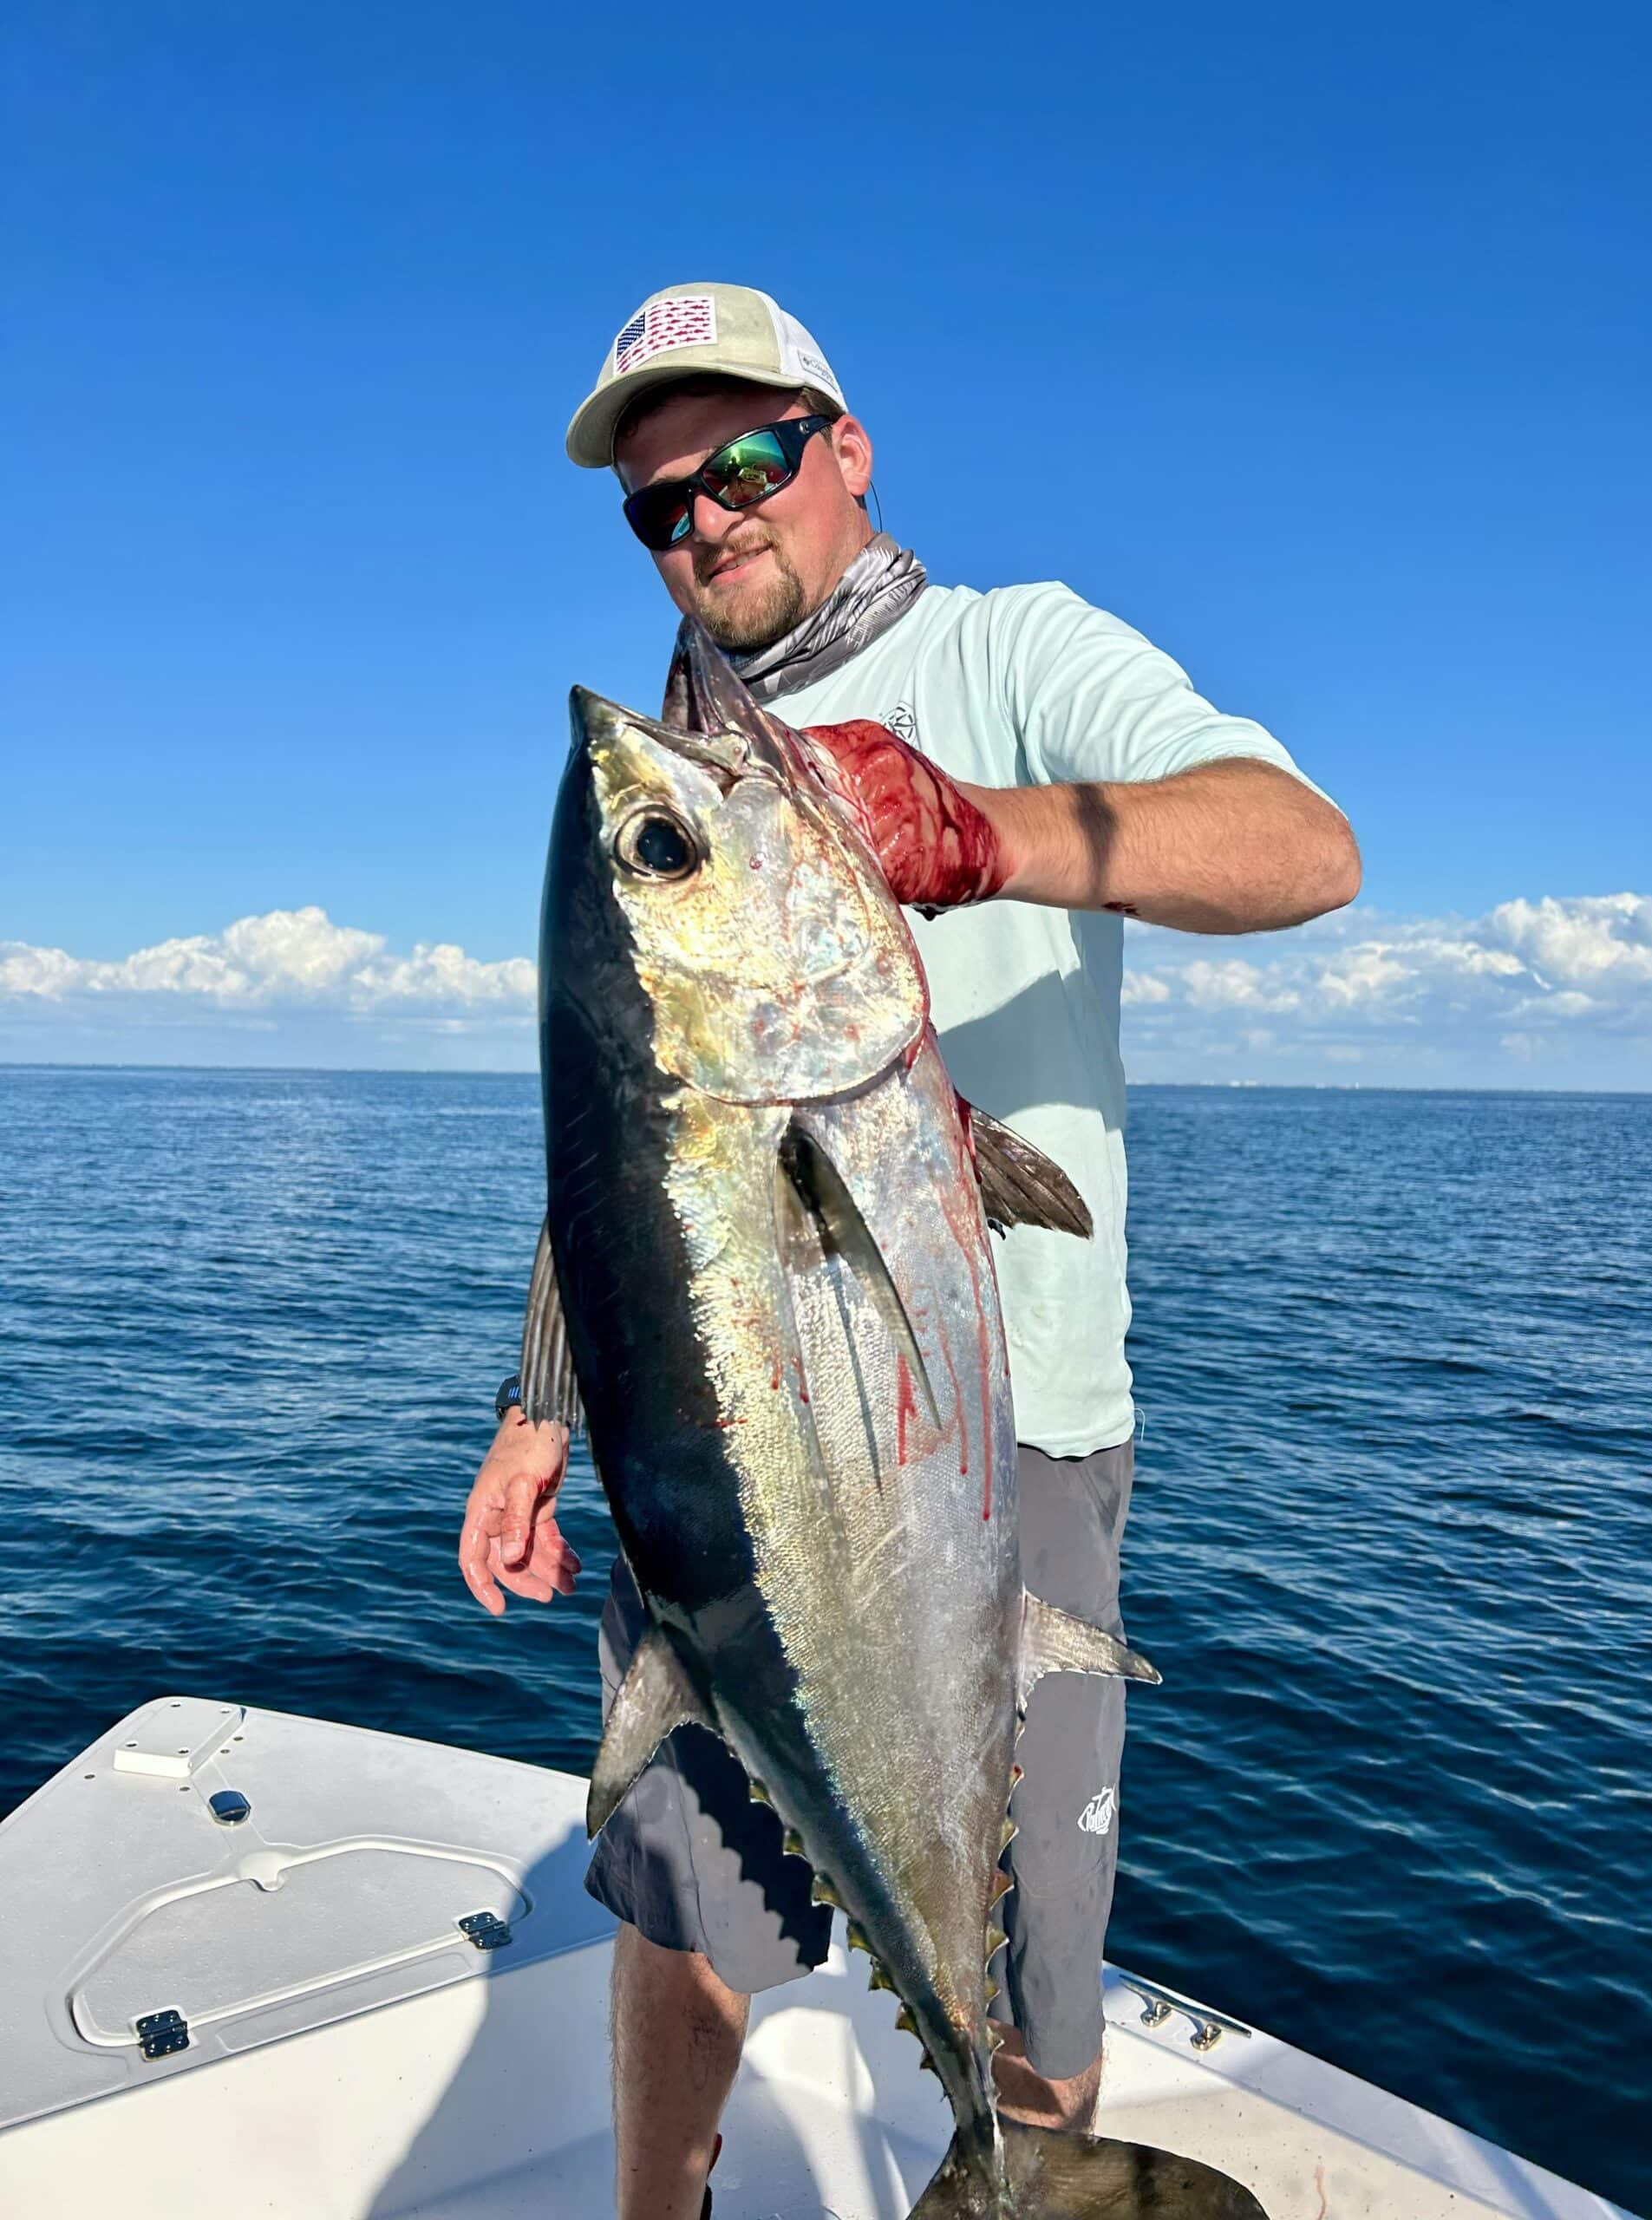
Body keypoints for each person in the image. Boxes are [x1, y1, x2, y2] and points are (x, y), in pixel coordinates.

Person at [458, 283, 1360, 2219]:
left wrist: (983, 830)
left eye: (746, 467)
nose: (704, 523)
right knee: (687, 1913)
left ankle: (1016, 2175)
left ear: (843, 451)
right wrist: (540, 1409)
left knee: (1039, 1954)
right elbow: (649, 1153)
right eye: (657, 506)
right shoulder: (696, 757)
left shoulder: (1019, 649)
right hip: (730, 1465)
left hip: (1007, 1437)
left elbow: (1301, 847)